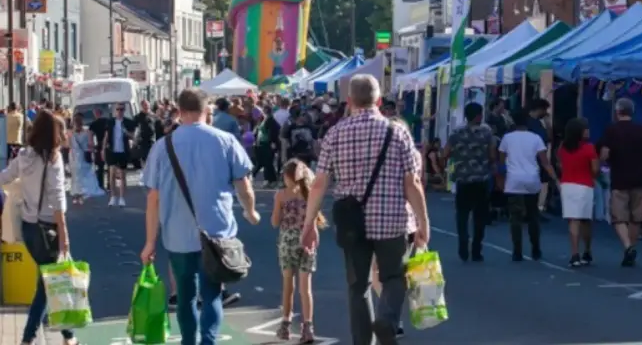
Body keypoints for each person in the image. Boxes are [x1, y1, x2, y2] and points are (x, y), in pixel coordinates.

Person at [300, 74, 429, 345]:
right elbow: (412, 182)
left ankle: (362, 341)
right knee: (394, 277)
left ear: (349, 101)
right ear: (379, 101)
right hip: (392, 220)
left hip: (352, 224)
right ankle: (387, 319)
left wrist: (309, 223)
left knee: (358, 287)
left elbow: (319, 182)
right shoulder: (398, 132)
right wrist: (422, 221)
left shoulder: (335, 133)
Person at [140, 89, 259, 345]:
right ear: (208, 111)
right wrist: (250, 211)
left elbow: (153, 199)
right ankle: (208, 341)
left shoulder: (163, 146)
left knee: (185, 296)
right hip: (217, 234)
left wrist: (150, 241)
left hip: (177, 235)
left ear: (179, 112)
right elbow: (244, 185)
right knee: (212, 295)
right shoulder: (225, 141)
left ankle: (188, 342)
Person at [0, 110, 76, 345]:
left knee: (48, 279)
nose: (63, 133)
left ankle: (68, 336)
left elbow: (5, 176)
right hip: (48, 230)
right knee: (48, 283)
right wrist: (64, 237)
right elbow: (58, 201)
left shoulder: (24, 155)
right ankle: (29, 337)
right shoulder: (53, 160)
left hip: (29, 228)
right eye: (60, 130)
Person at [272, 159, 325, 343]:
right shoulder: (309, 194)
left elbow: (275, 221)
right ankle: (307, 327)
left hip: (288, 241)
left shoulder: (281, 195)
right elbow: (315, 219)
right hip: (307, 240)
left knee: (288, 284)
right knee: (306, 287)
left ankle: (285, 324)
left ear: (287, 177)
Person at [499, 109, 559, 262]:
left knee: (515, 217)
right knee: (533, 215)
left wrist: (501, 180)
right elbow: (545, 162)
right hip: (532, 178)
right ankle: (536, 249)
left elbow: (501, 161)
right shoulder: (536, 138)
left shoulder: (507, 138)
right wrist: (556, 179)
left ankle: (517, 251)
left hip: (514, 180)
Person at [597, 98, 642, 267]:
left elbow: (605, 154)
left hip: (620, 177)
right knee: (636, 217)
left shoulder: (611, 130)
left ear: (617, 111)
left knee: (618, 217)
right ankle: (632, 247)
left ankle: (627, 246)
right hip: (640, 177)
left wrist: (600, 166)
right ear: (632, 112)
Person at [445, 102, 496, 262]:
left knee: (462, 214)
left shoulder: (456, 133)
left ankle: (463, 242)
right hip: (481, 179)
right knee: (479, 217)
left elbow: (445, 153)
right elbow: (493, 155)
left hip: (463, 179)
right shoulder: (487, 133)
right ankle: (476, 249)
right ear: (478, 115)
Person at [557, 117, 598, 267]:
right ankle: (587, 250)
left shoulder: (562, 148)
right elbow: (595, 170)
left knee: (573, 220)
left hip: (567, 185)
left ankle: (574, 253)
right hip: (584, 185)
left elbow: (560, 165)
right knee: (586, 220)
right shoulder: (589, 148)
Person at [103, 103, 135, 207]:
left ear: (124, 110)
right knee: (111, 174)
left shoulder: (128, 122)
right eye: (118, 109)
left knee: (122, 175)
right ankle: (113, 197)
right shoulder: (111, 122)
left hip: (123, 151)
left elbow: (133, 137)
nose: (120, 111)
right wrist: (102, 150)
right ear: (115, 110)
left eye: (121, 109)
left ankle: (121, 198)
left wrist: (126, 132)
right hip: (112, 151)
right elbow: (106, 136)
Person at [68, 113, 103, 204]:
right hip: (83, 155)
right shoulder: (87, 132)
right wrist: (92, 151)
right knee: (84, 174)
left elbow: (69, 146)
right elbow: (91, 145)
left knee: (76, 175)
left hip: (75, 156)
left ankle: (77, 193)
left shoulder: (70, 133)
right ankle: (81, 192)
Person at [527, 99, 553, 216]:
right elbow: (547, 138)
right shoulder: (536, 124)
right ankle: (532, 212)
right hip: (535, 159)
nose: (546, 112)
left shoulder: (530, 122)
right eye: (545, 110)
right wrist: (548, 124)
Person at [253, 105, 281, 187]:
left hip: (267, 144)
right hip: (262, 143)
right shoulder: (264, 119)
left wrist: (272, 143)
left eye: (267, 110)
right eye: (265, 110)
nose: (265, 112)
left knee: (267, 162)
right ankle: (271, 180)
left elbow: (273, 132)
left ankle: (270, 180)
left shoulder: (271, 120)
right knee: (266, 163)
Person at [88, 107, 109, 191]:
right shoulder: (107, 121)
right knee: (110, 166)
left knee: (100, 167)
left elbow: (90, 137)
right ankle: (110, 184)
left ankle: (101, 185)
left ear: (95, 114)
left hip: (100, 146)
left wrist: (92, 148)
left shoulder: (93, 124)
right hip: (109, 145)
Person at [134, 100, 158, 167]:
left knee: (153, 160)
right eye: (145, 105)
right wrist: (135, 140)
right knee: (144, 161)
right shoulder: (137, 117)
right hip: (142, 143)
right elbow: (135, 130)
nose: (146, 107)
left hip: (152, 141)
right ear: (141, 106)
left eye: (147, 105)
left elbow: (157, 128)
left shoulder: (153, 116)